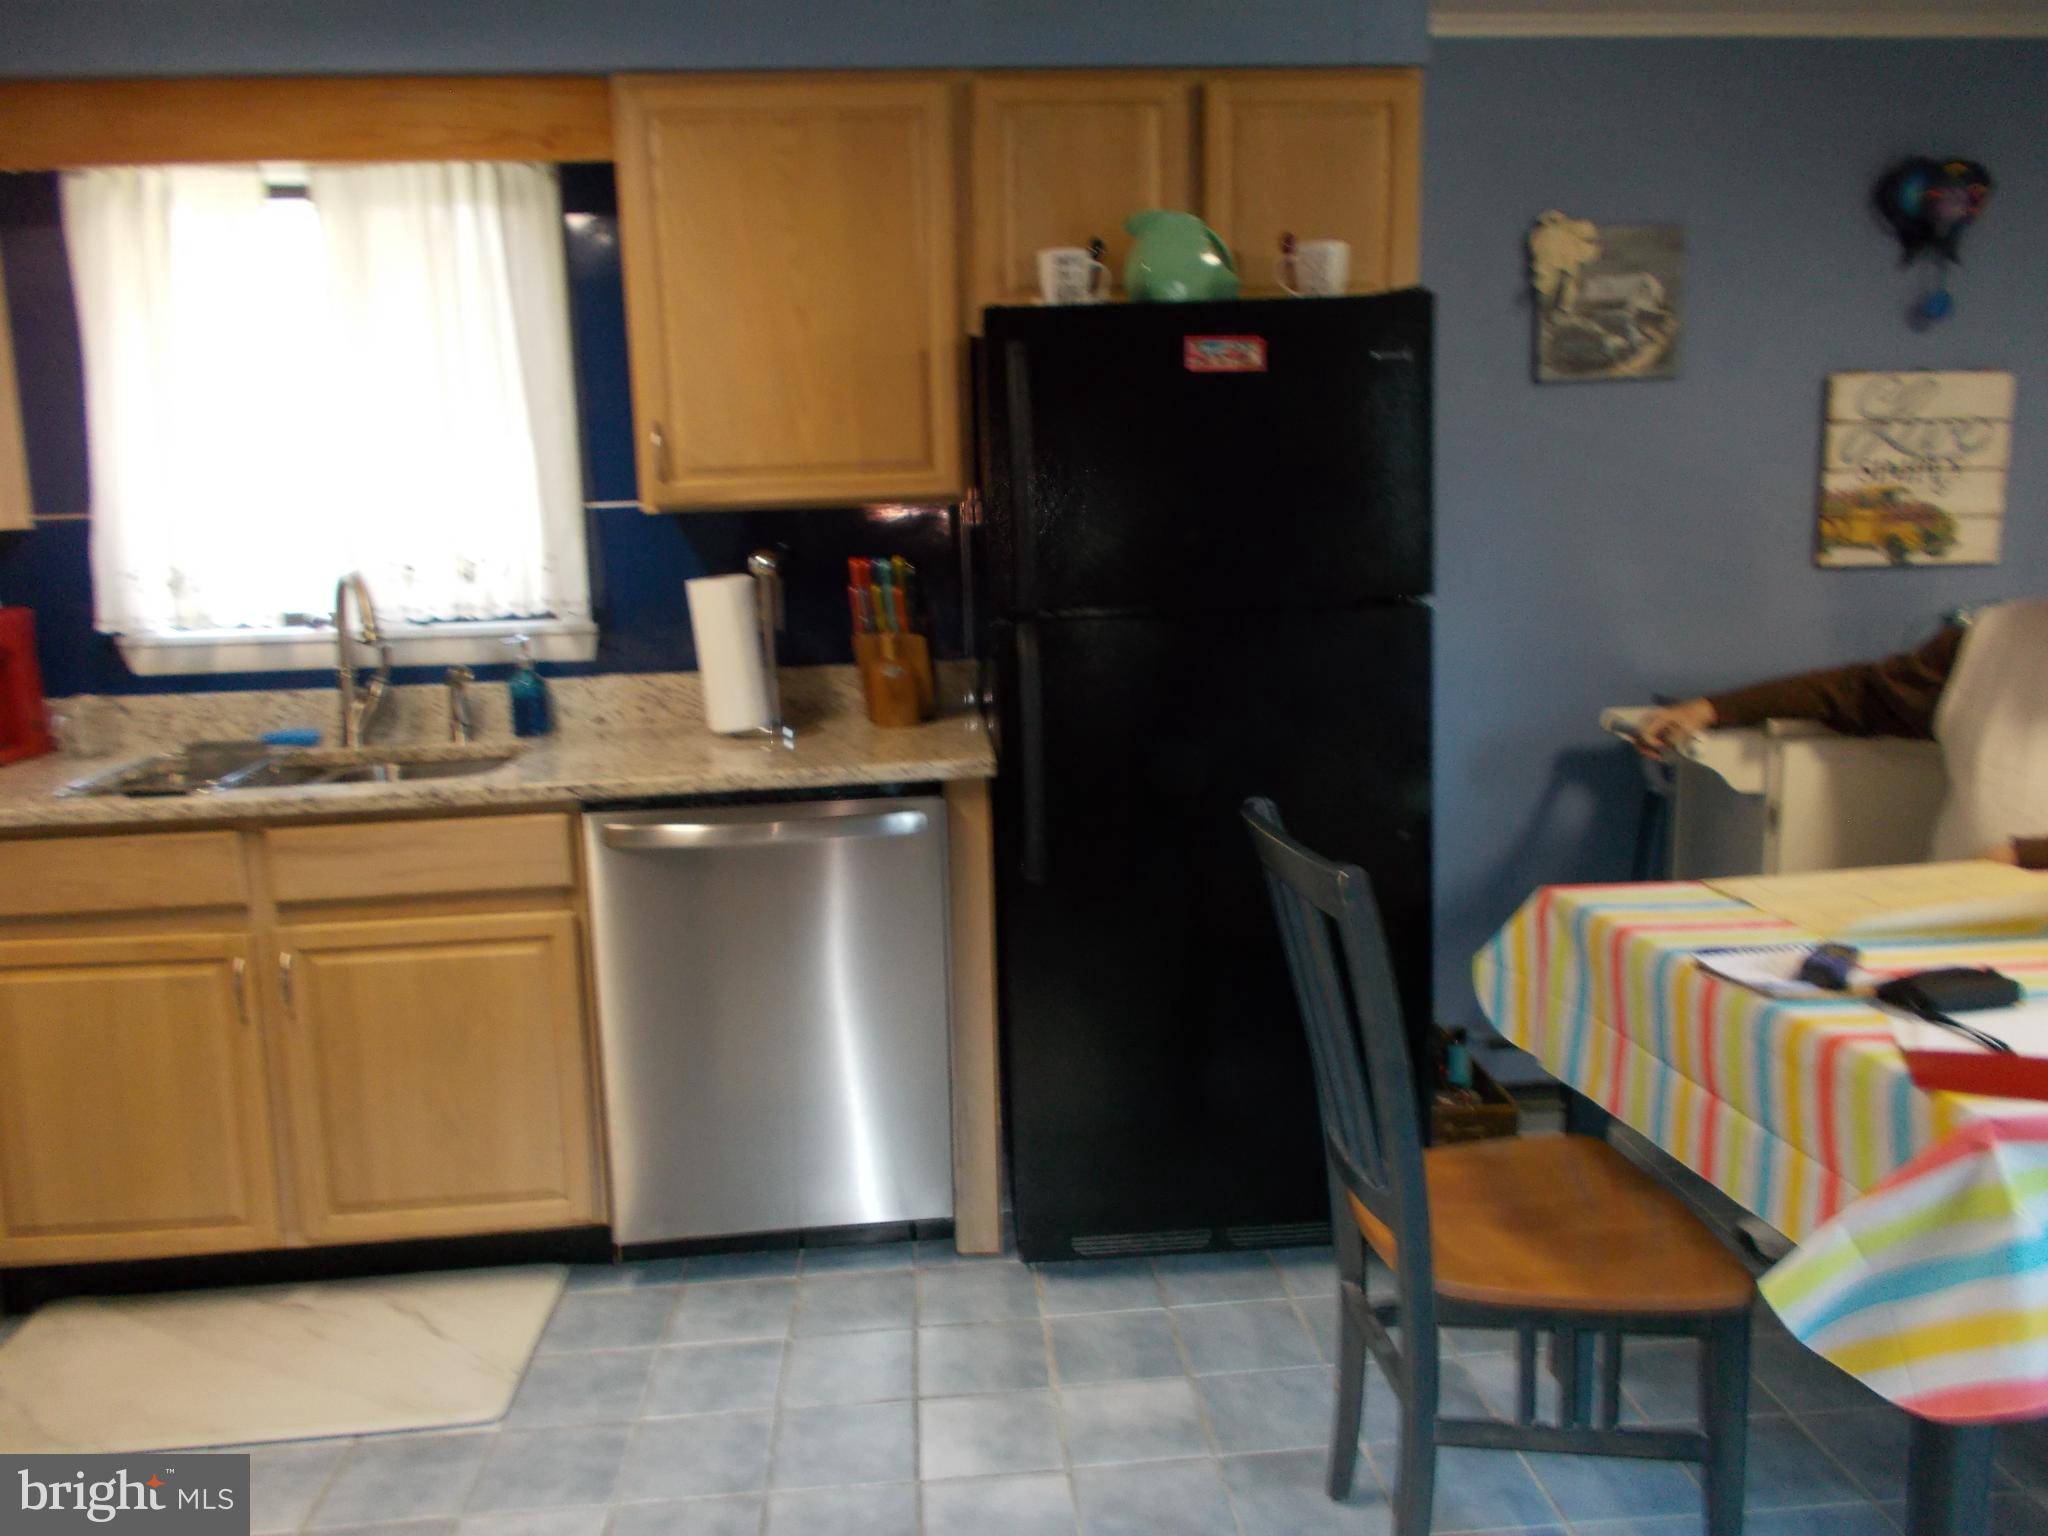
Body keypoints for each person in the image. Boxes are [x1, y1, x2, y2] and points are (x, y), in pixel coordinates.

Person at [1634, 598, 2048, 870]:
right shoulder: (1996, 637)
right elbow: (1861, 693)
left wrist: (2020, 856)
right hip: (1963, 904)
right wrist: (1712, 709)